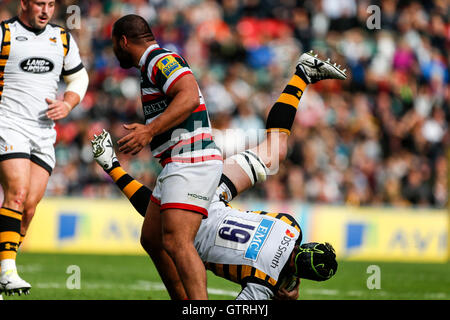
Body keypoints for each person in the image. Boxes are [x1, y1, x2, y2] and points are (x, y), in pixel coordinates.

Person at [92, 51, 346, 299]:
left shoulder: (290, 226)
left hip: (215, 195)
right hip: (196, 228)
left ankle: (302, 74)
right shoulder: (264, 284)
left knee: (273, 150)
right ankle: (112, 165)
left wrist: (288, 273)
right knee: (163, 228)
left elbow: (281, 249)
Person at [111, 14, 224, 300]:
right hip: (177, 161)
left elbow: (188, 95)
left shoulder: (159, 59)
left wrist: (149, 131)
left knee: (177, 241)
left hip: (191, 158)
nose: (114, 51)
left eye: (114, 44)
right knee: (152, 239)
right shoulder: (153, 63)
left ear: (123, 41)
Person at [0, 0, 88, 296]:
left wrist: (68, 102)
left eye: (51, 4)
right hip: (8, 123)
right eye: (40, 3)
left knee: (29, 208)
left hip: (43, 133)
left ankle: (2, 266)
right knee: (17, 192)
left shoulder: (62, 38)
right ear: (24, 3)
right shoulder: (5, 34)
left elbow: (78, 77)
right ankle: (7, 272)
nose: (46, 10)